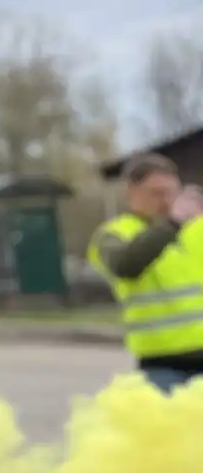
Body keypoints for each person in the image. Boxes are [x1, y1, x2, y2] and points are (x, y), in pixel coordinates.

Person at [87, 152, 203, 394]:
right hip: (162, 365)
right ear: (131, 193)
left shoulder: (197, 228)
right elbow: (126, 265)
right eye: (156, 193)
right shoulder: (114, 235)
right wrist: (172, 223)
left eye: (172, 192)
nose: (166, 200)